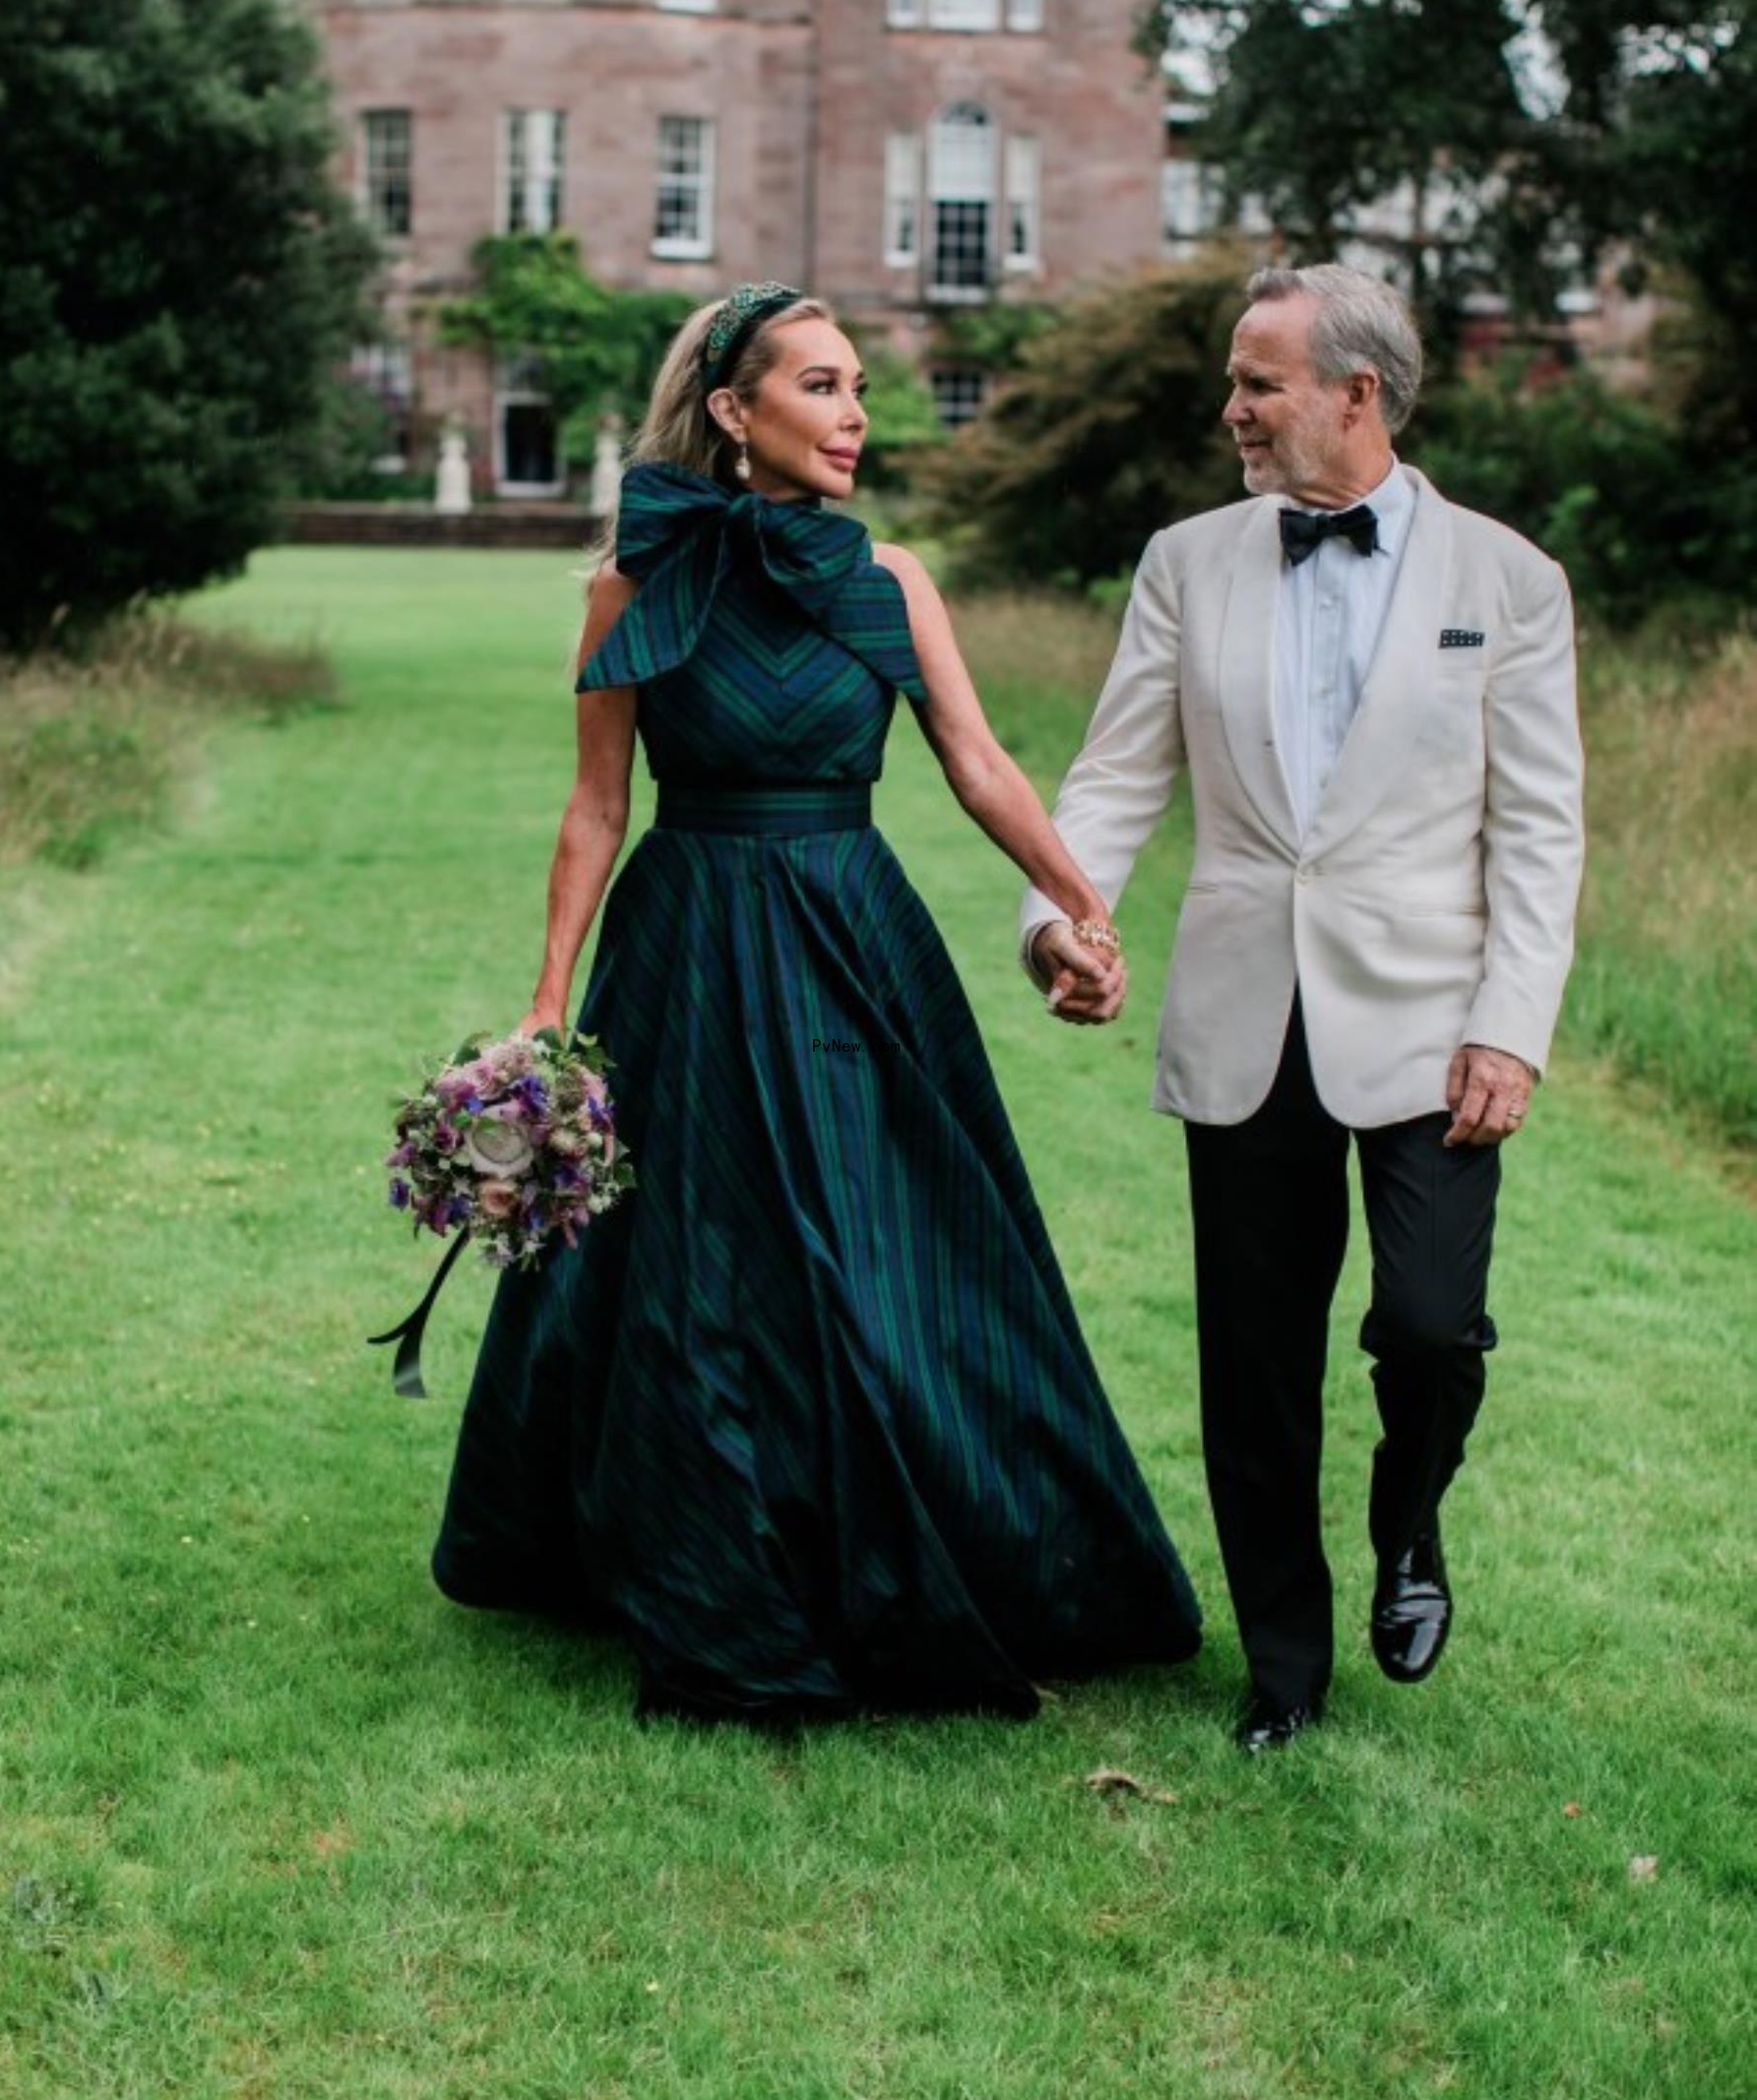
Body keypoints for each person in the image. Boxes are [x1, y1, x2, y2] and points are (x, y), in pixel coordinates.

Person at [432, 283, 1201, 1722]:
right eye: (823, 386)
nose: (856, 415)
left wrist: (1080, 905)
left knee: (892, 1241)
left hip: (852, 928)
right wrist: (547, 1001)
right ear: (735, 411)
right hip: (692, 937)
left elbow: (975, 762)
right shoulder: (633, 578)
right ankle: (713, 1558)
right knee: (694, 1263)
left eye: (858, 387)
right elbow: (597, 808)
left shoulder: (893, 579)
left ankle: (947, 1546)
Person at [1021, 265, 1584, 1753]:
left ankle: (1413, 1520)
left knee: (1430, 1324)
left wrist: (1512, 1023)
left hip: (1435, 1016)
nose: (1233, 408)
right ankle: (1283, 1667)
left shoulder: (1511, 583)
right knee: (1254, 1358)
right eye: (1233, 379)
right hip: (1244, 1001)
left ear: (1358, 392)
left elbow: (1539, 828)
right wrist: (1057, 918)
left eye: (1259, 381)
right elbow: (1117, 774)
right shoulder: (1185, 562)